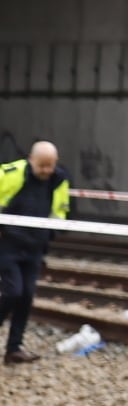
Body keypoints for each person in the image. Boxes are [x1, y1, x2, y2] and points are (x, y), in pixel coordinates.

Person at [0, 141, 71, 364]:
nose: (46, 171)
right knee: (13, 292)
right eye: (42, 165)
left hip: (34, 249)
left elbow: (59, 212)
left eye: (50, 166)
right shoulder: (13, 173)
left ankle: (14, 349)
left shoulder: (59, 180)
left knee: (26, 297)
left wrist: (51, 234)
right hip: (8, 245)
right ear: (31, 159)